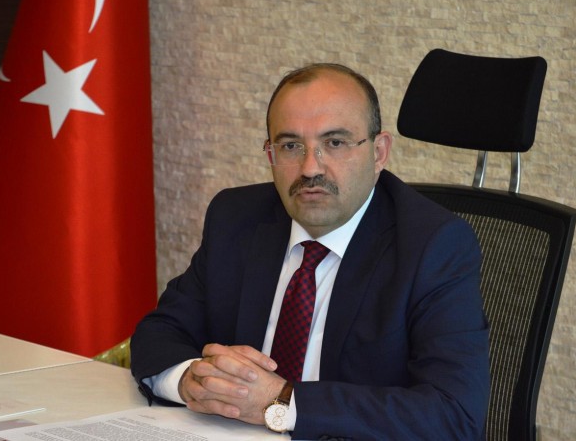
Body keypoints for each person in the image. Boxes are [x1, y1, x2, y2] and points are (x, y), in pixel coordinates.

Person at [131, 63, 490, 440]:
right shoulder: (236, 218)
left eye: (334, 143)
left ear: (379, 152)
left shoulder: (434, 245)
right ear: (270, 153)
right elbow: (161, 331)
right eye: (290, 146)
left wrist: (281, 403)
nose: (309, 168)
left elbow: (455, 415)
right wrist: (189, 379)